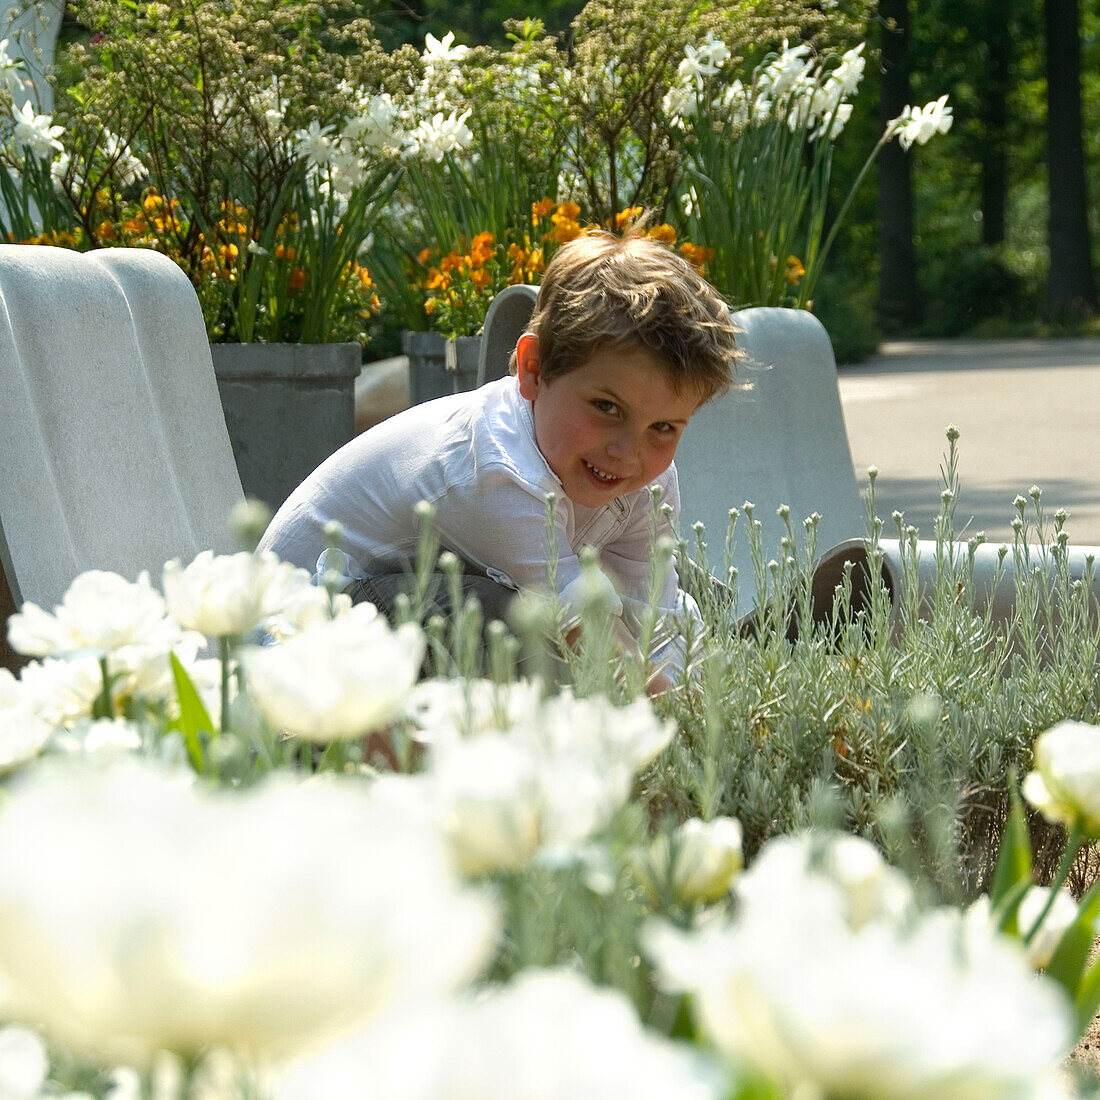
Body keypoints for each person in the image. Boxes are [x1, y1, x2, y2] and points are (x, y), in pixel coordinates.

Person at [259, 228, 741, 689]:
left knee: (681, 605)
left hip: (391, 605)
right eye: (606, 408)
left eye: (663, 428)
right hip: (300, 632)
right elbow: (584, 633)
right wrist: (671, 726)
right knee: (512, 621)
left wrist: (683, 689)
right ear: (534, 368)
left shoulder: (644, 477)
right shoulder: (497, 468)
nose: (628, 452)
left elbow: (650, 608)